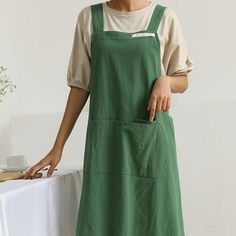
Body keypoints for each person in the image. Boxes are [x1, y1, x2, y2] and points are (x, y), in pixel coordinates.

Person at [24, 0, 194, 235]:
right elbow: (80, 86)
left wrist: (166, 81)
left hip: (152, 146)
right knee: (103, 220)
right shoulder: (89, 18)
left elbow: (182, 79)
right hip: (106, 144)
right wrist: (57, 146)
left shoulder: (165, 18)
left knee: (156, 221)